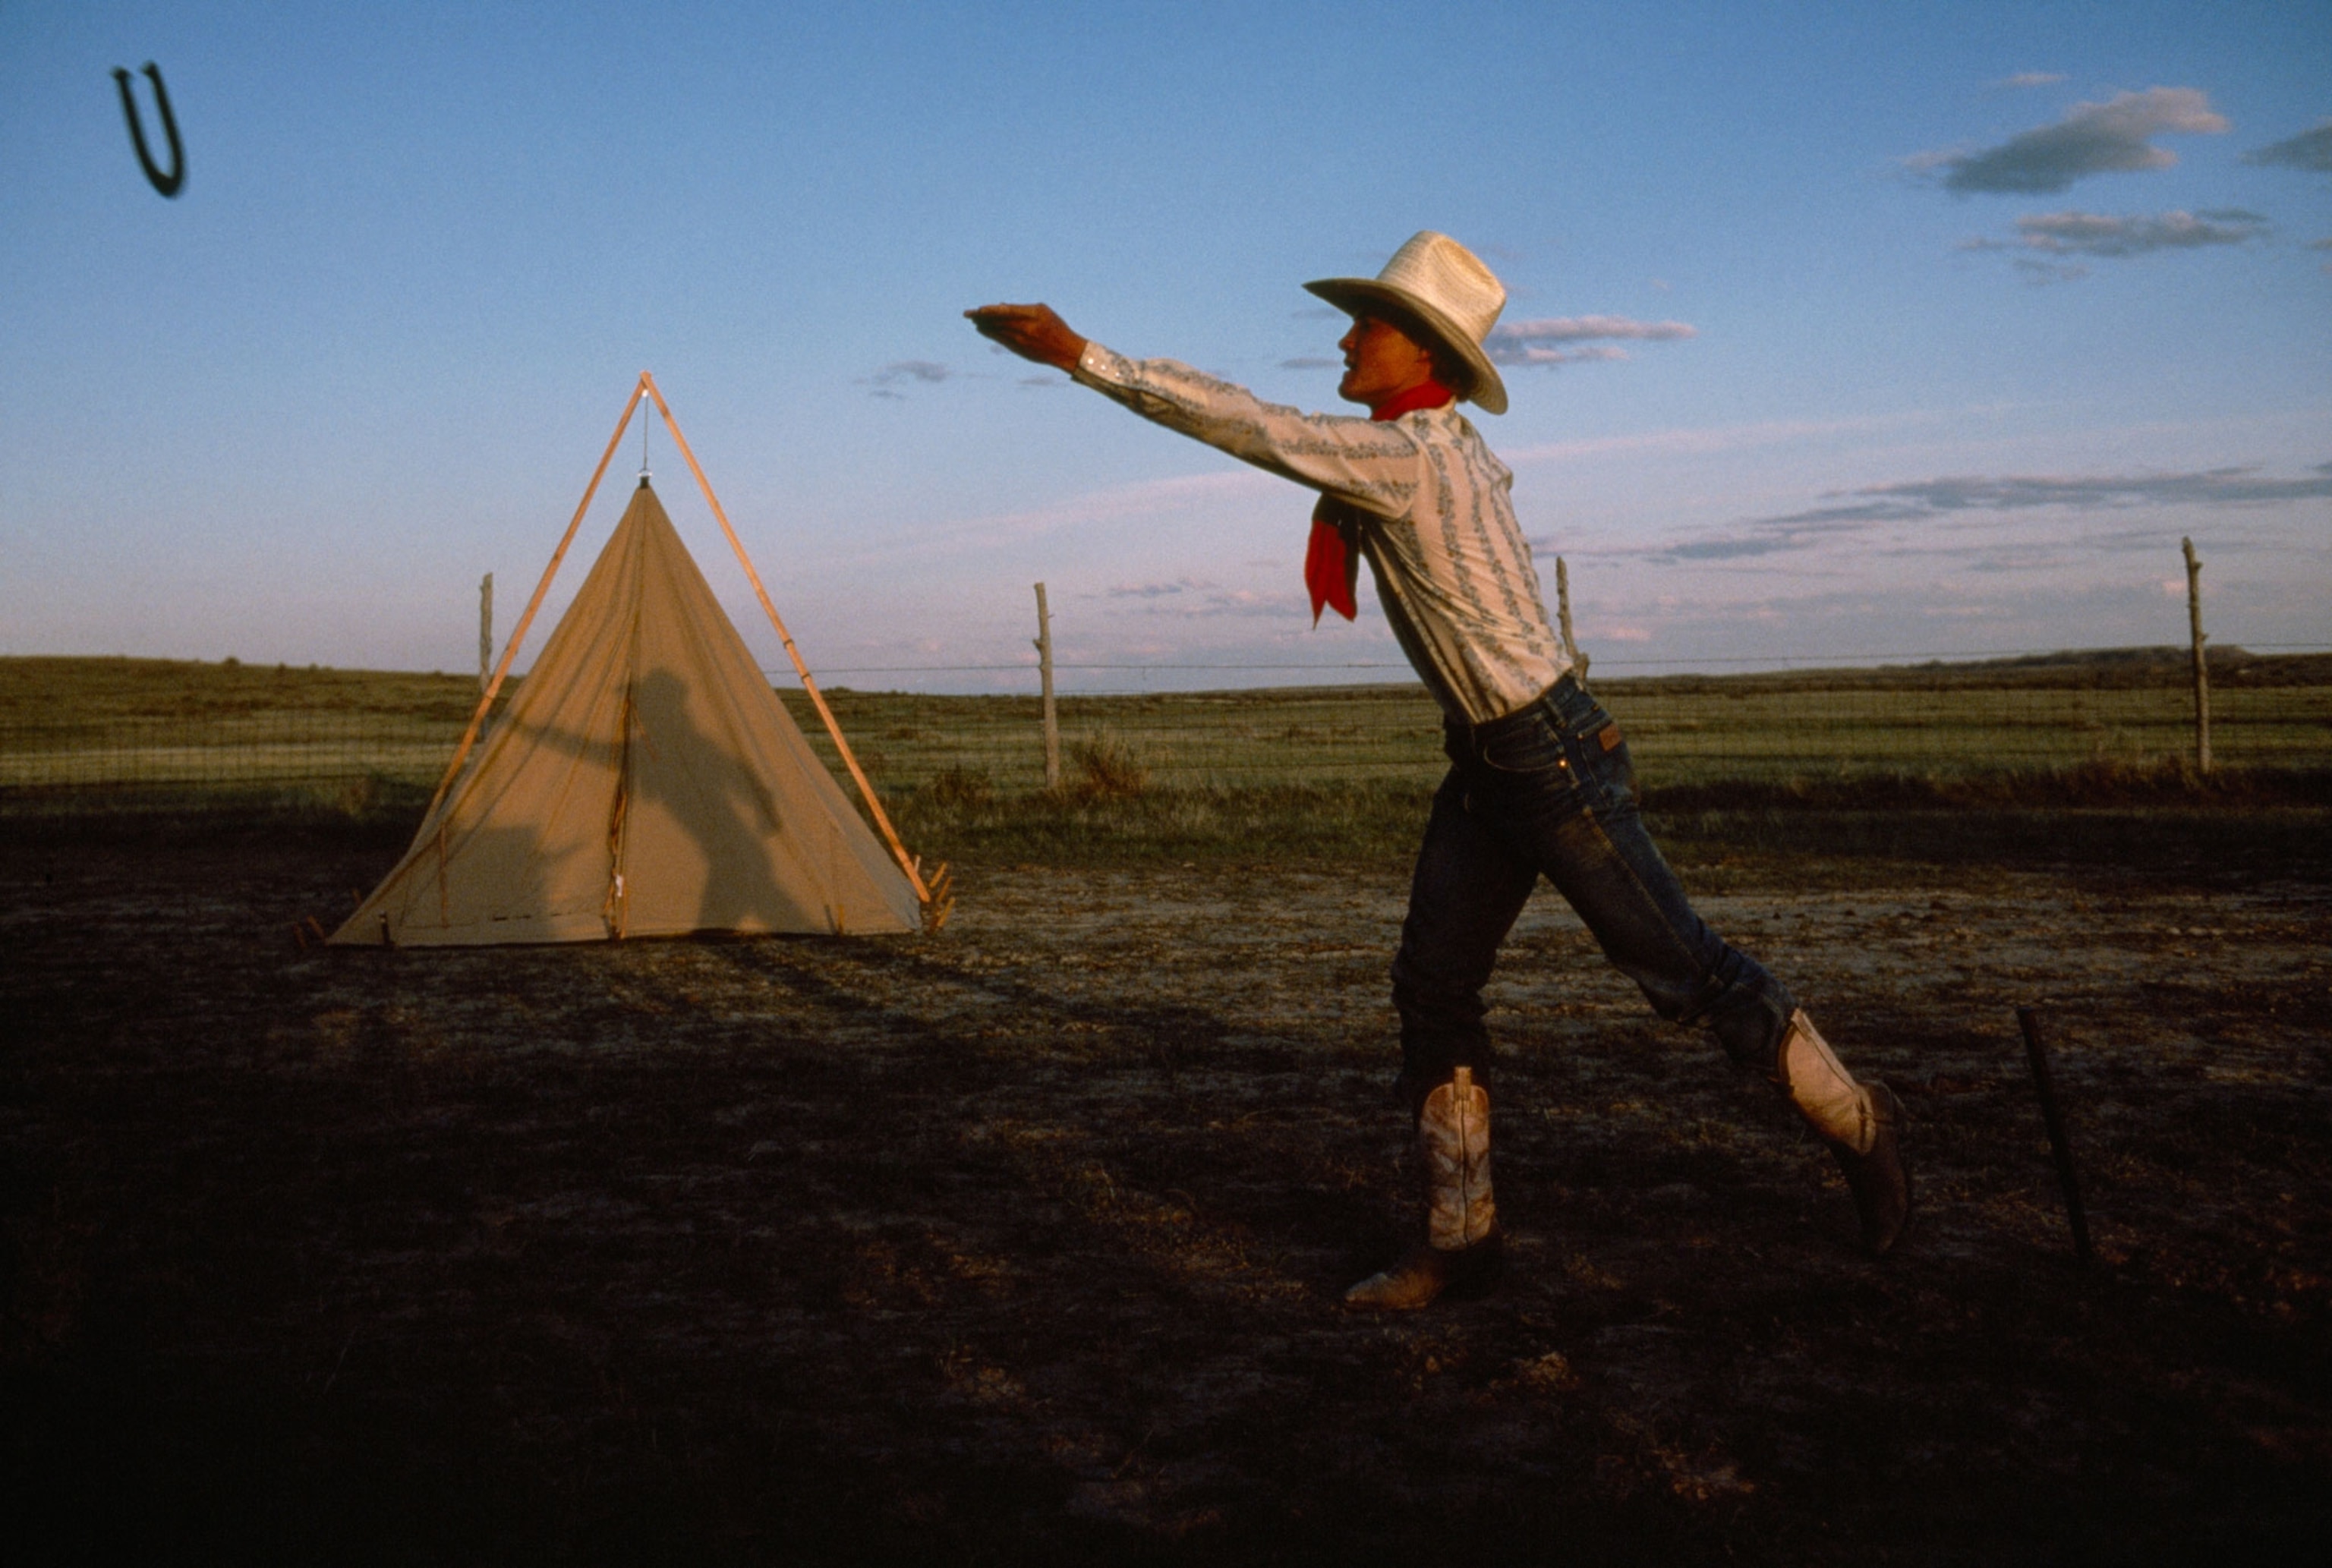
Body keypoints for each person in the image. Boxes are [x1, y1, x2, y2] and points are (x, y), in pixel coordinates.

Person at [969, 232, 1909, 1310]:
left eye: (1365, 323)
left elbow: (1252, 424)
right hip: (1492, 761)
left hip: (1550, 757)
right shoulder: (1433, 446)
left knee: (1684, 971)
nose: (1344, 335)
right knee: (1434, 989)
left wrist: (1082, 355)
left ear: (1421, 352)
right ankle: (1461, 1239)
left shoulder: (1407, 456)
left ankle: (1865, 1122)